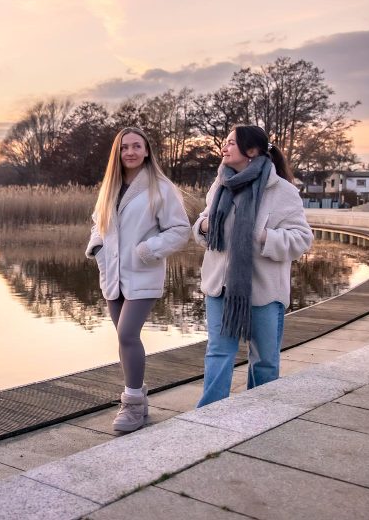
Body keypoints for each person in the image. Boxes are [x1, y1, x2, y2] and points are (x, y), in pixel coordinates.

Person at [194, 124, 313, 407]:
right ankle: (209, 416)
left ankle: (260, 413)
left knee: (265, 360)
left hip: (264, 290)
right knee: (218, 354)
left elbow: (302, 239)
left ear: (251, 150)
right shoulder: (220, 184)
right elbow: (202, 225)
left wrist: (262, 237)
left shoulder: (282, 190)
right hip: (221, 287)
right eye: (225, 142)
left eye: (231, 143)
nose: (224, 147)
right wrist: (206, 225)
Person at [86, 127, 190, 432]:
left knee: (128, 334)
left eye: (136, 146)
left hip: (142, 270)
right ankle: (139, 403)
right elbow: (98, 222)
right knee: (122, 337)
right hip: (113, 273)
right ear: (117, 153)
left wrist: (148, 250)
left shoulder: (160, 187)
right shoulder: (110, 187)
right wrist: (97, 246)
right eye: (124, 147)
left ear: (147, 151)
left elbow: (180, 230)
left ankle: (131, 404)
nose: (130, 152)